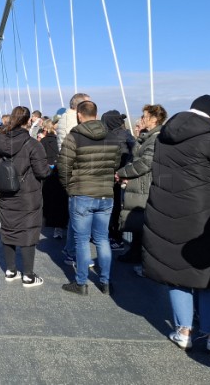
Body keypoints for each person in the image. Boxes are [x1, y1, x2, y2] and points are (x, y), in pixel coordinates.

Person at [143, 95, 210, 353]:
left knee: (177, 274)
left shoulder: (165, 135)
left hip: (166, 211)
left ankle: (183, 331)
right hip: (205, 215)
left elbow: (160, 172)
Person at [58, 101, 121, 296]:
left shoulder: (74, 137)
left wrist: (70, 187)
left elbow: (63, 166)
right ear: (97, 113)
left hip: (82, 193)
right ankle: (106, 282)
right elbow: (115, 163)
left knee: (82, 240)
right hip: (105, 194)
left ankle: (81, 283)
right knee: (102, 238)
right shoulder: (112, 137)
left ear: (79, 115)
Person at [0, 106, 50, 287]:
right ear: (28, 121)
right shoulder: (33, 144)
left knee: (8, 229)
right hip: (28, 195)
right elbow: (42, 172)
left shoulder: (0, 142)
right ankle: (28, 276)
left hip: (6, 193)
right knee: (28, 231)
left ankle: (10, 271)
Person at [115, 104, 168, 273]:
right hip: (140, 185)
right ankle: (136, 254)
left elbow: (145, 163)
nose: (142, 118)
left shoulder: (156, 138)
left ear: (153, 119)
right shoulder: (148, 137)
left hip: (146, 186)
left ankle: (148, 265)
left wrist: (123, 172)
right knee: (139, 222)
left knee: (144, 223)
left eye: (145, 116)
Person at [100, 110, 135, 252]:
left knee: (113, 208)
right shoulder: (127, 134)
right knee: (117, 207)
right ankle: (115, 236)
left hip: (115, 177)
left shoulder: (114, 137)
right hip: (123, 176)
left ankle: (116, 237)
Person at [39, 119, 66, 237]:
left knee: (47, 198)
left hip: (47, 173)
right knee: (60, 199)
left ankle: (48, 221)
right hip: (59, 172)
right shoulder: (60, 141)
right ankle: (59, 227)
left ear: (45, 129)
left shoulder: (43, 141)